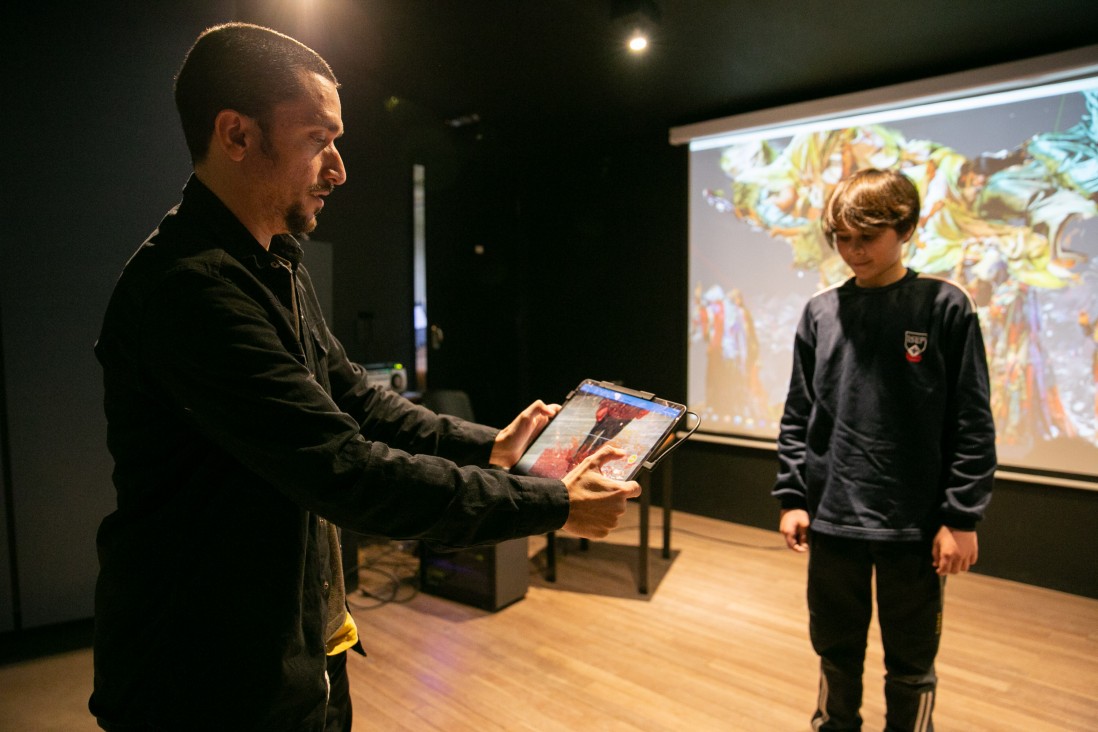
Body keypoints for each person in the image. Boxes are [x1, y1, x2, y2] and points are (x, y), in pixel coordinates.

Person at [90, 22, 641, 732]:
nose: (339, 168)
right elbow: (345, 470)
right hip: (204, 678)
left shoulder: (274, 263)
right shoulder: (190, 290)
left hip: (291, 650)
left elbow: (355, 399)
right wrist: (552, 504)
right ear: (236, 135)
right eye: (319, 139)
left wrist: (487, 447)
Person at [772, 168, 996, 731]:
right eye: (842, 238)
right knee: (835, 652)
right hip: (832, 521)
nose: (852, 250)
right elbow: (799, 415)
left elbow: (972, 420)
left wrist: (961, 517)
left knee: (912, 661)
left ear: (907, 228)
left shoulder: (945, 305)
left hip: (913, 527)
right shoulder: (820, 312)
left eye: (865, 237)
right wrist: (793, 497)